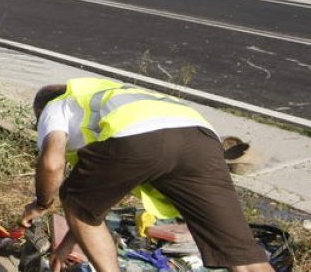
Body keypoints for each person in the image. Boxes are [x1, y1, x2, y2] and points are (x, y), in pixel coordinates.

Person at [20, 78, 273, 272]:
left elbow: (52, 164)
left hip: (138, 139)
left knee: (72, 198)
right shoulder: (112, 94)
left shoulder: (56, 104)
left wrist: (42, 204)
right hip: (201, 139)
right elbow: (95, 203)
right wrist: (66, 245)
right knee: (242, 253)